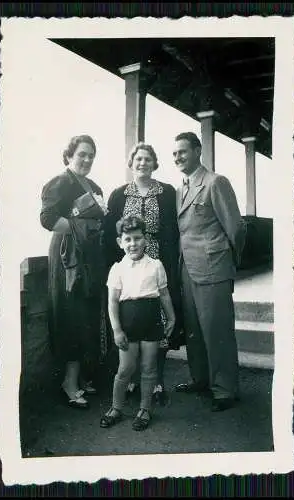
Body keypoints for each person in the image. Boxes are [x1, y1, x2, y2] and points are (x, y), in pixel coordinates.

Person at [104, 142, 183, 404]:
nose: (143, 163)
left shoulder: (167, 192)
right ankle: (133, 380)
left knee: (156, 322)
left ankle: (156, 380)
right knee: (131, 320)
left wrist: (170, 265)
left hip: (158, 260)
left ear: (154, 163)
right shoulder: (118, 195)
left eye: (148, 159)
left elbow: (173, 230)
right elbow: (110, 234)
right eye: (138, 159)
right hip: (128, 265)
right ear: (131, 163)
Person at [173, 132, 247, 412]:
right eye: (175, 154)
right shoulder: (181, 189)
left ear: (198, 151)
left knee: (217, 330)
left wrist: (228, 262)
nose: (178, 157)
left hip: (213, 268)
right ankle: (201, 379)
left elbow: (236, 228)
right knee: (194, 329)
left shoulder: (216, 182)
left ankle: (225, 389)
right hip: (188, 270)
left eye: (183, 151)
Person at [40, 134, 107, 409]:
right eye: (82, 154)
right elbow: (47, 219)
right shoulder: (60, 183)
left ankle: (81, 378)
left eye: (91, 155)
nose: (87, 159)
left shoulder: (92, 185)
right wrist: (83, 228)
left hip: (87, 258)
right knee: (70, 315)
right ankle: (69, 382)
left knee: (87, 315)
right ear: (69, 155)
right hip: (67, 256)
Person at [100, 215, 176, 431]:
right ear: (120, 242)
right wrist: (116, 330)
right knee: (125, 369)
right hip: (127, 325)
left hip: (151, 323)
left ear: (145, 240)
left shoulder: (156, 265)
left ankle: (144, 409)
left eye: (137, 238)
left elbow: (164, 294)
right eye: (128, 239)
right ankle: (116, 407)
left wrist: (171, 317)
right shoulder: (117, 269)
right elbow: (112, 302)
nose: (133, 243)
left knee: (149, 368)